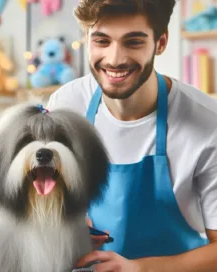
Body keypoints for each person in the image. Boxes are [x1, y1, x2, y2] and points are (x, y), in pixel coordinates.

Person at [47, 0, 217, 271]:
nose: (114, 59)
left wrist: (141, 269)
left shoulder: (208, 124)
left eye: (133, 42)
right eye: (102, 41)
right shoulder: (65, 105)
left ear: (160, 43)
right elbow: (45, 193)